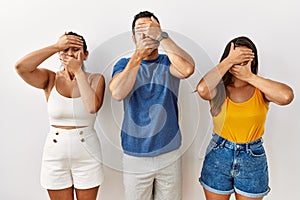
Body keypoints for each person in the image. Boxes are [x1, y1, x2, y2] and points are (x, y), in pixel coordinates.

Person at [109, 11, 195, 200]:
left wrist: (162, 36)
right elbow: (117, 92)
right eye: (142, 31)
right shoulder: (124, 64)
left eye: (151, 29)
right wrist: (138, 55)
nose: (147, 34)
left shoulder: (167, 62)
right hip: (135, 155)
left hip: (169, 154)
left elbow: (187, 69)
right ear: (133, 38)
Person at [196, 36, 294, 200]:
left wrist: (249, 77)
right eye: (236, 60)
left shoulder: (260, 88)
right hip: (218, 154)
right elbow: (202, 89)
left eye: (245, 60)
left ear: (253, 62)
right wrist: (228, 61)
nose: (240, 65)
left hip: (252, 157)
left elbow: (286, 96)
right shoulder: (218, 89)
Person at [15, 32, 105, 200]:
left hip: (88, 153)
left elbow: (92, 107)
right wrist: (56, 46)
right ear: (59, 54)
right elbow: (21, 68)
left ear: (85, 54)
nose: (70, 54)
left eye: (76, 49)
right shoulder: (50, 78)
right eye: (65, 49)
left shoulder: (95, 79)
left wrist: (78, 72)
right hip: (55, 154)